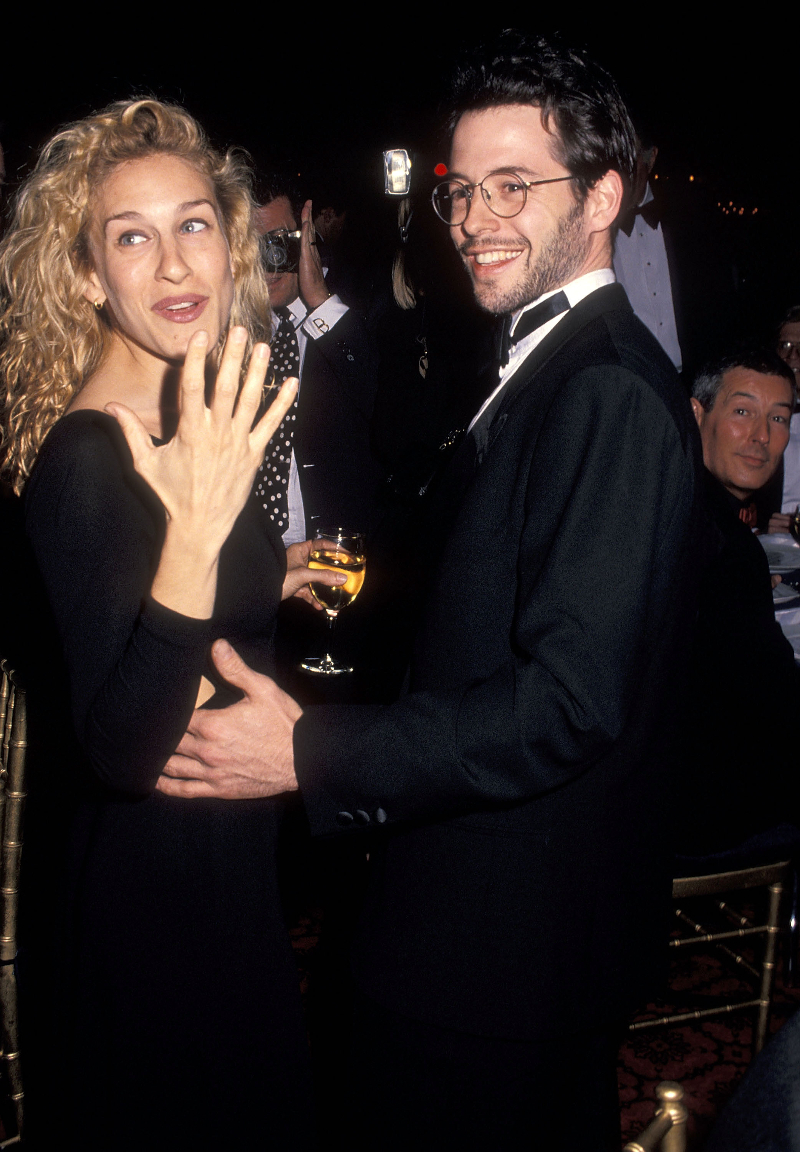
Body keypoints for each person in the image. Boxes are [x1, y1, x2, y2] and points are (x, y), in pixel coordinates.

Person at [142, 33, 702, 1151]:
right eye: (462, 189)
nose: (474, 218)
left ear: (601, 197)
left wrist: (308, 752)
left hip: (508, 941)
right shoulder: (539, 362)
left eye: (514, 186)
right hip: (468, 914)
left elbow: (567, 703)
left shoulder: (607, 390)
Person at [0, 99, 342, 1150]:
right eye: (130, 237)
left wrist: (265, 570)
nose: (174, 263)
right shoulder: (86, 457)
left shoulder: (182, 416)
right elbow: (122, 749)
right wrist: (198, 533)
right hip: (149, 912)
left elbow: (165, 615)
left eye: (193, 223)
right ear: (85, 276)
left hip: (226, 881)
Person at [682, 349, 799, 852]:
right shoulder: (722, 544)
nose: (762, 437)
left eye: (778, 418)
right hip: (699, 813)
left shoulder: (683, 500)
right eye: (743, 411)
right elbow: (776, 708)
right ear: (697, 414)